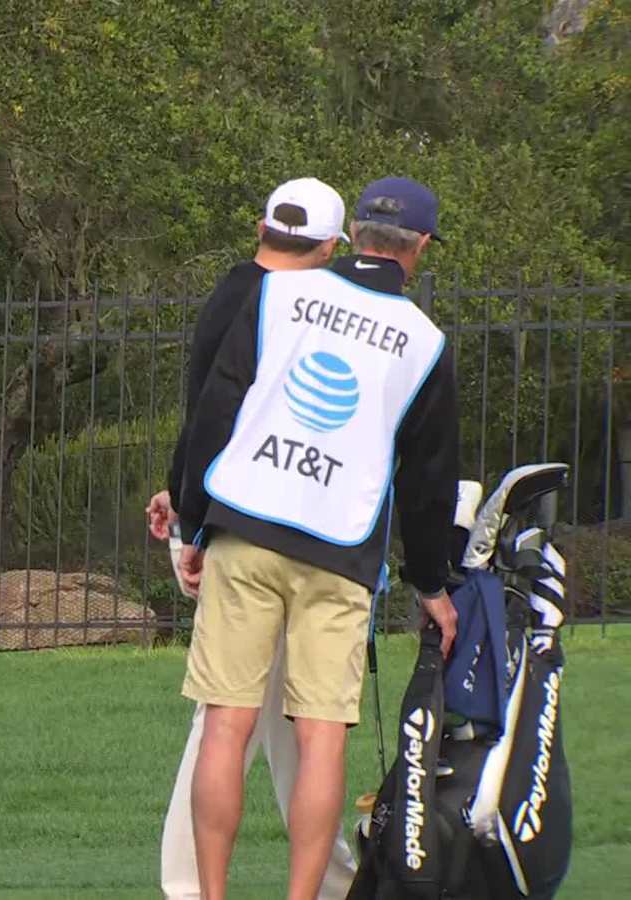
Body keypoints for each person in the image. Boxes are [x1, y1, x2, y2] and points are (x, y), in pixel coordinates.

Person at [173, 177, 461, 900]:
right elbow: (429, 483)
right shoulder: (425, 344)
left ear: (353, 234)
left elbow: (217, 409)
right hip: (340, 548)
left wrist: (192, 522)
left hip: (247, 522)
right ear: (419, 247)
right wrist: (433, 584)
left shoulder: (278, 295)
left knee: (225, 726)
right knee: (321, 735)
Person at [146, 177, 358, 900]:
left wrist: (181, 496)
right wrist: (191, 521)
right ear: (330, 246)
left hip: (227, 520)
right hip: (248, 529)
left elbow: (203, 411)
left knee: (260, 719)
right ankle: (191, 882)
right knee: (240, 721)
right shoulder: (283, 305)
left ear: (263, 227)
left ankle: (331, 877)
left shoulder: (235, 291)